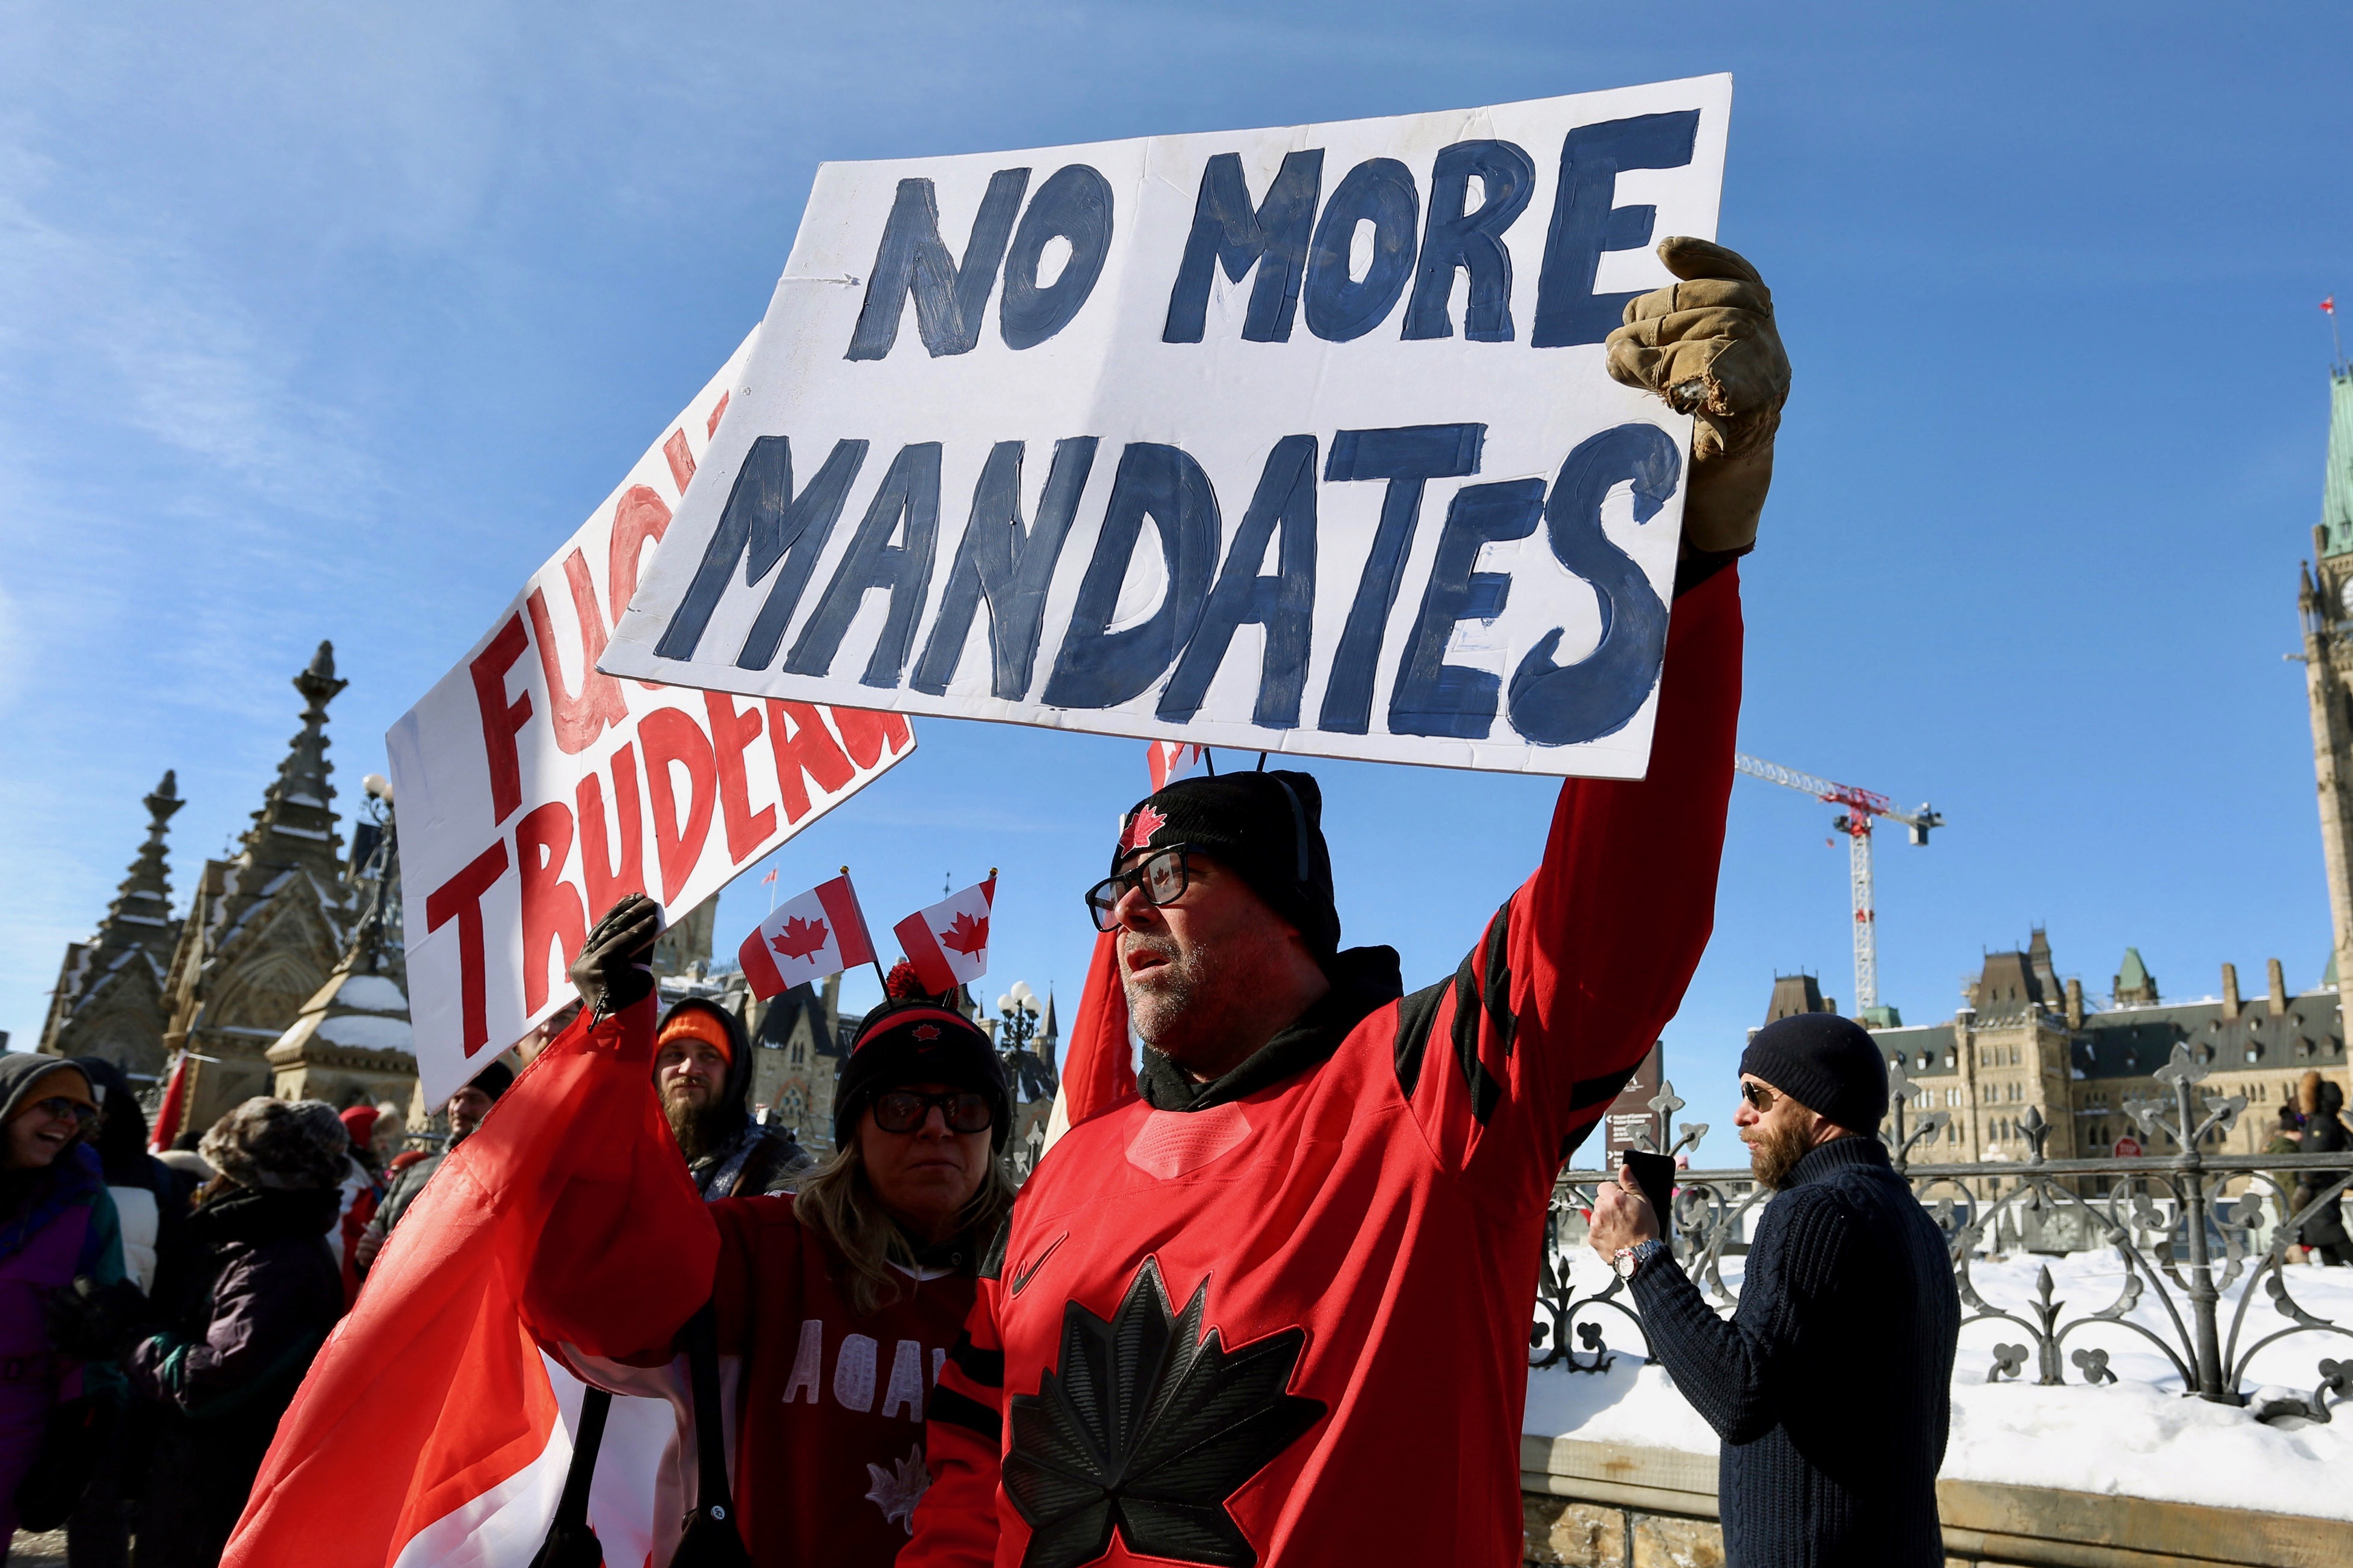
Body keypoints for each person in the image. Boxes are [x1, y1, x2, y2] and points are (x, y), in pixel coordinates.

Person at [905, 237, 1788, 1568]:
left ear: (1284, 910)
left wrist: (1687, 572)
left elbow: (1608, 932)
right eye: (1113, 889)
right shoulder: (1061, 1176)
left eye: (1168, 877)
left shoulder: (1429, 1095)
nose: (1126, 915)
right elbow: (970, 1462)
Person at [506, 923, 1016, 1566]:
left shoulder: (1032, 1285)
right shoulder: (763, 1251)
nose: (937, 1127)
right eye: (902, 1105)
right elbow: (582, 1303)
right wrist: (603, 1053)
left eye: (966, 1107)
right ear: (855, 1129)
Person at [1588, 1014, 1961, 1567]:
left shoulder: (1813, 1210)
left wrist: (1638, 1255)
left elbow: (1740, 1395)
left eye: (1757, 1095)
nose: (1740, 1115)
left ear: (1818, 1103)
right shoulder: (1913, 1219)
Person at [127, 1099, 347, 1568]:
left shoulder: (277, 1261)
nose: (203, 1186)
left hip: (216, 1491)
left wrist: (133, 1339)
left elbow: (213, 1381)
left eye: (216, 1172)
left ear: (245, 1178)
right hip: (196, 1483)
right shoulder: (252, 1242)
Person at [64, 1057, 191, 1568]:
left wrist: (146, 1330)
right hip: (34, 1357)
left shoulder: (158, 1180)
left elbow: (180, 1270)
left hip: (116, 1364)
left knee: (100, 1501)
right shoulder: (37, 1171)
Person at [0, 1057, 127, 1552]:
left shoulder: (87, 1203)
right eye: (52, 1104)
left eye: (81, 1113)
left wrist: (85, 1427)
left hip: (15, 1412)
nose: (68, 1120)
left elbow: (101, 1321)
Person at [350, 1061, 513, 1277]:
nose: (460, 1110)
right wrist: (366, 1256)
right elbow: (378, 1231)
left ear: (499, 1105)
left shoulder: (508, 1178)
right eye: (456, 1098)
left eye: (474, 1100)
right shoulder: (414, 1172)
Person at [653, 998, 812, 1198]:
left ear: (733, 1074)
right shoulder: (627, 1153)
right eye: (675, 1055)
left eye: (708, 1056)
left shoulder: (781, 1168)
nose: (688, 1069)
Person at [2294, 1072, 2352, 1266]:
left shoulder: (2321, 1123)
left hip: (2320, 1187)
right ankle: (2333, 1272)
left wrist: (2305, 1184)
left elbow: (2316, 1155)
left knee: (2329, 1230)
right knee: (2323, 1236)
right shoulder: (2328, 1121)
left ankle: (2337, 1267)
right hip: (2325, 1185)